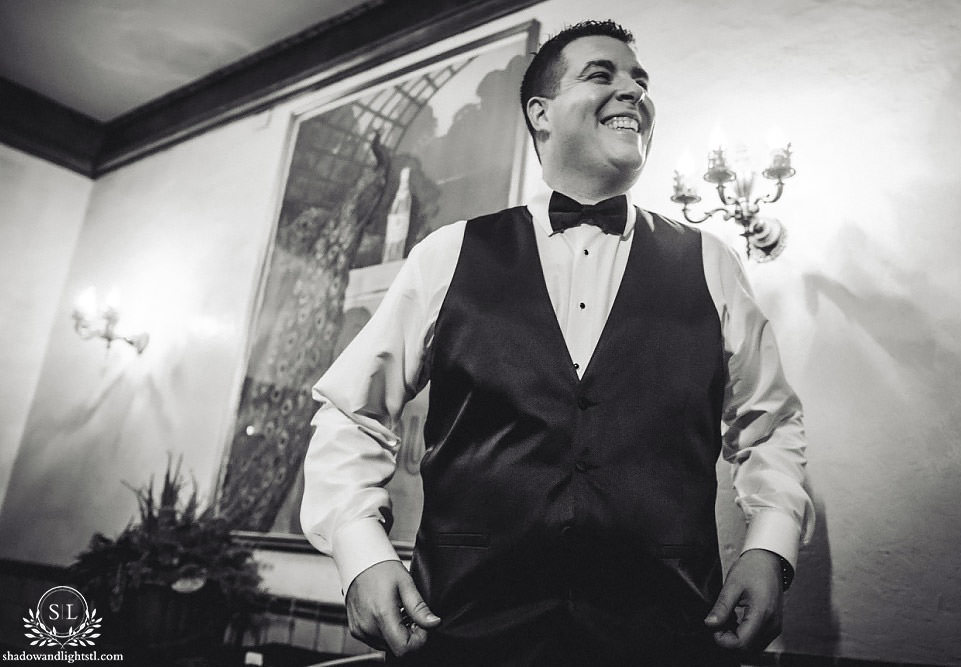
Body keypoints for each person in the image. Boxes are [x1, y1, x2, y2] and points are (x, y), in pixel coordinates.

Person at [301, 19, 813, 666]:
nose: (633, 92)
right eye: (603, 75)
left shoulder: (709, 262)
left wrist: (770, 545)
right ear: (540, 113)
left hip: (665, 633)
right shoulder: (449, 254)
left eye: (640, 82)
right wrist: (361, 554)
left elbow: (770, 424)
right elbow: (351, 412)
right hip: (465, 632)